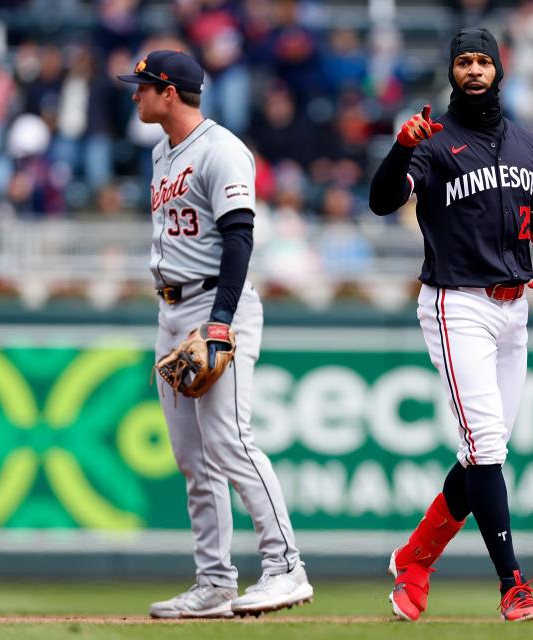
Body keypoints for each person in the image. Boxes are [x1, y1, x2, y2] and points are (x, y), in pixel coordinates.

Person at [368, 28, 533, 623]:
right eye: (464, 61)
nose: (475, 70)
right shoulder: (432, 144)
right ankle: (513, 584)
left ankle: (414, 558)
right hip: (456, 303)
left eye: (484, 60)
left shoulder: (531, 146)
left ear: (499, 70)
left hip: (515, 308)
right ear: (452, 72)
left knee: (483, 452)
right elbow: (382, 202)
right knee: (486, 447)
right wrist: (401, 149)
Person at [118, 49, 312, 619]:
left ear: (169, 92)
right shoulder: (161, 152)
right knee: (193, 457)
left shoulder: (222, 149)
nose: (136, 95)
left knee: (230, 441)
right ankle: (215, 581)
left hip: (215, 304)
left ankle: (285, 567)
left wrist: (221, 320)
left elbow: (239, 238)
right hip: (172, 309)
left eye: (144, 87)